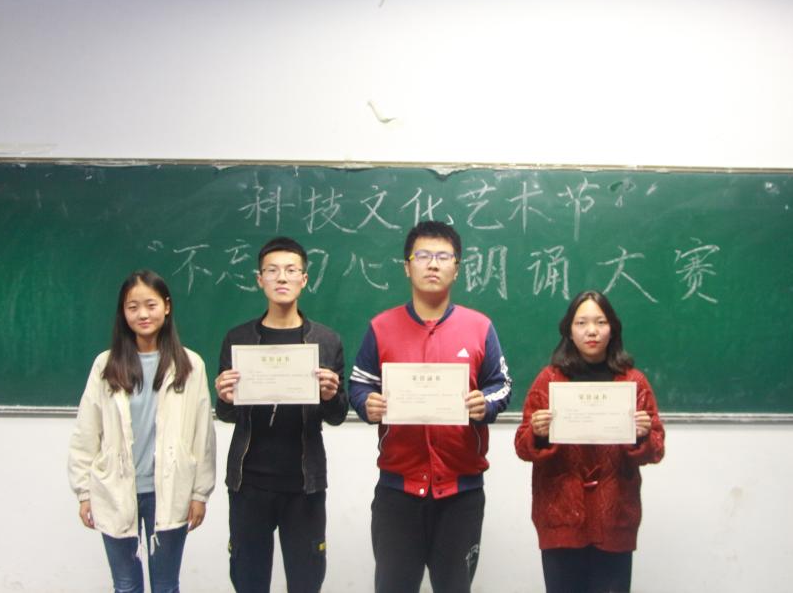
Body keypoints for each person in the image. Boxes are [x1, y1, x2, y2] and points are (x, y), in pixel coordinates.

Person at [350, 220, 512, 593]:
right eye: (422, 256)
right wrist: (365, 403)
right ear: (407, 267)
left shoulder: (479, 327)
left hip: (460, 493)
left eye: (443, 256)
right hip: (398, 490)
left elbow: (501, 385)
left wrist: (484, 403)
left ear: (457, 267)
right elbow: (359, 384)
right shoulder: (381, 327)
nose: (433, 264)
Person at [68, 270, 216, 593]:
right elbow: (86, 431)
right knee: (125, 586)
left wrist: (199, 494)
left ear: (167, 306)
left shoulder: (190, 365)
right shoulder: (105, 365)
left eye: (151, 305)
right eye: (132, 307)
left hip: (171, 491)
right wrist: (84, 492)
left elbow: (202, 435)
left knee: (165, 586)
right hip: (116, 489)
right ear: (123, 312)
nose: (142, 314)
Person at [214, 237, 348, 593]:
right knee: (248, 581)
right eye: (272, 271)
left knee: (306, 581)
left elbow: (337, 415)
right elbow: (226, 413)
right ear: (260, 280)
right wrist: (224, 397)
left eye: (291, 270)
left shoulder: (326, 340)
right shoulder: (239, 338)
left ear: (304, 279)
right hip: (248, 482)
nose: (282, 278)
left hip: (304, 484)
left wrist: (330, 395)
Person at [514, 290, 665, 593]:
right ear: (569, 330)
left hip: (615, 516)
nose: (591, 331)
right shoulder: (549, 380)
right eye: (581, 323)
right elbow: (522, 446)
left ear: (613, 329)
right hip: (560, 516)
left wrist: (643, 434)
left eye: (600, 322)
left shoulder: (633, 382)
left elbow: (656, 449)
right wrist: (538, 433)